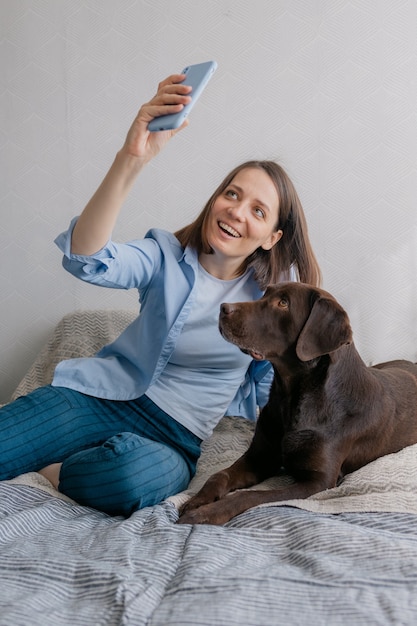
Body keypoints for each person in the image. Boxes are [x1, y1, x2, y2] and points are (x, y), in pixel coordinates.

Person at [0, 74, 321, 517]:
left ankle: (58, 470)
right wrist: (130, 160)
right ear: (215, 200)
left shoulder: (272, 311)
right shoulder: (164, 255)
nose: (236, 211)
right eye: (232, 194)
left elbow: (266, 394)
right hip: (96, 399)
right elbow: (86, 257)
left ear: (272, 237)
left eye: (258, 210)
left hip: (173, 438)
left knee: (128, 479)